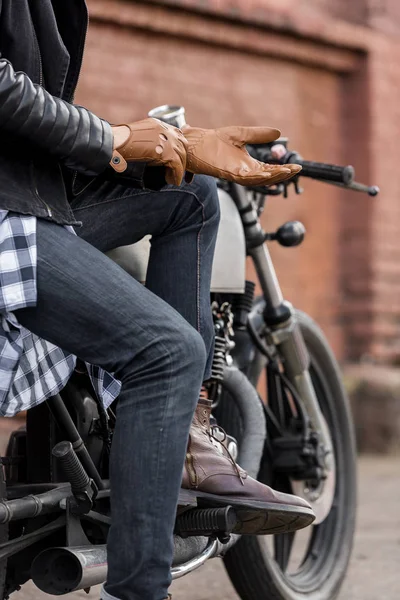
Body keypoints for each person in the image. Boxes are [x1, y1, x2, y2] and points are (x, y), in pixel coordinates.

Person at [0, 2, 314, 599]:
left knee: (190, 193)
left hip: (23, 194)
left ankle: (190, 434)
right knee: (169, 351)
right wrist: (112, 137)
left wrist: (166, 145)